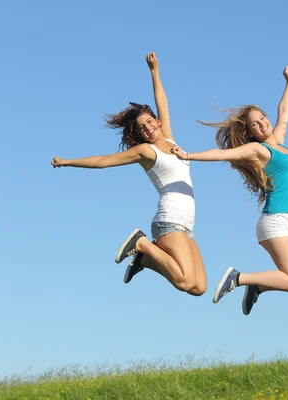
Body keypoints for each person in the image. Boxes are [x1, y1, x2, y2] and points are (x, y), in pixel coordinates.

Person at [51, 52, 206, 295]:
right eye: (142, 128)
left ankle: (143, 259)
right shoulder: (146, 151)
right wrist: (68, 161)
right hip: (170, 220)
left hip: (187, 224)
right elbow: (104, 161)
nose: (148, 128)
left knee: (199, 288)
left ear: (156, 121)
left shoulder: (169, 139)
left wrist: (154, 72)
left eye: (149, 122)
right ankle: (141, 242)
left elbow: (162, 102)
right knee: (185, 282)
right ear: (140, 135)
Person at [171, 66, 288, 315]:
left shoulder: (278, 141)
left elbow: (284, 113)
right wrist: (187, 155)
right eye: (255, 125)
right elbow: (222, 154)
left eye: (262, 119)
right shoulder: (258, 150)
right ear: (250, 133)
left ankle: (257, 287)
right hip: (275, 221)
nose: (262, 125)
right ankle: (238, 278)